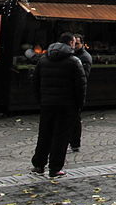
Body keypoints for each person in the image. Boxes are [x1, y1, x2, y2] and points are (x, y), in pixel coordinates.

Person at [31, 32, 86, 178]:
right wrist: (79, 105)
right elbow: (81, 85)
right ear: (70, 43)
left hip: (47, 104)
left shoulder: (43, 59)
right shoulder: (74, 61)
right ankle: (55, 168)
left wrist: (41, 100)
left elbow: (35, 82)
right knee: (61, 136)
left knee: (44, 134)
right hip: (67, 105)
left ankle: (39, 164)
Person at [69, 34, 92, 153]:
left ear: (82, 44)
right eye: (73, 43)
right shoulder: (71, 55)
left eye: (77, 43)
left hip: (76, 92)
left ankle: (75, 143)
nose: (74, 46)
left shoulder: (85, 57)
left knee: (75, 119)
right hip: (69, 92)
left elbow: (83, 77)